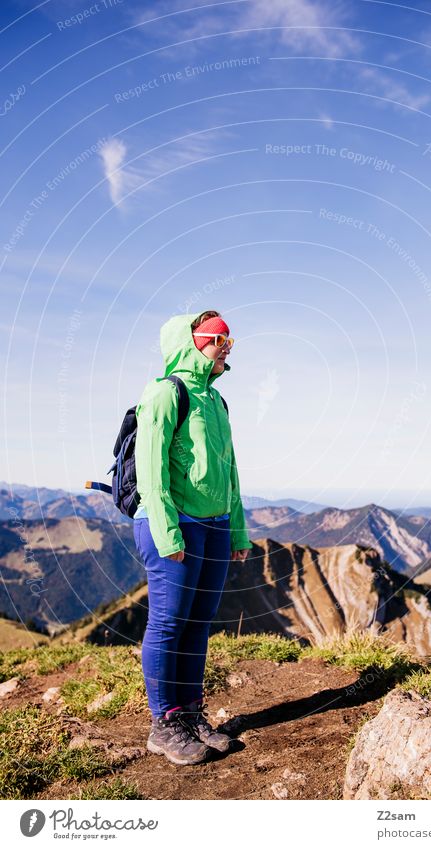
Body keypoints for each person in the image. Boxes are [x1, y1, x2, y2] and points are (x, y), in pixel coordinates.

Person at [132, 310, 253, 765]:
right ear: (193, 342)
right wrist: (167, 533)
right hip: (175, 524)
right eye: (219, 337)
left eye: (229, 339)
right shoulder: (166, 394)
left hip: (216, 526)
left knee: (198, 623)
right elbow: (151, 472)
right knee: (168, 623)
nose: (227, 345)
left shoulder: (217, 403)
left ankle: (190, 715)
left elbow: (231, 474)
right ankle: (164, 724)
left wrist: (237, 530)